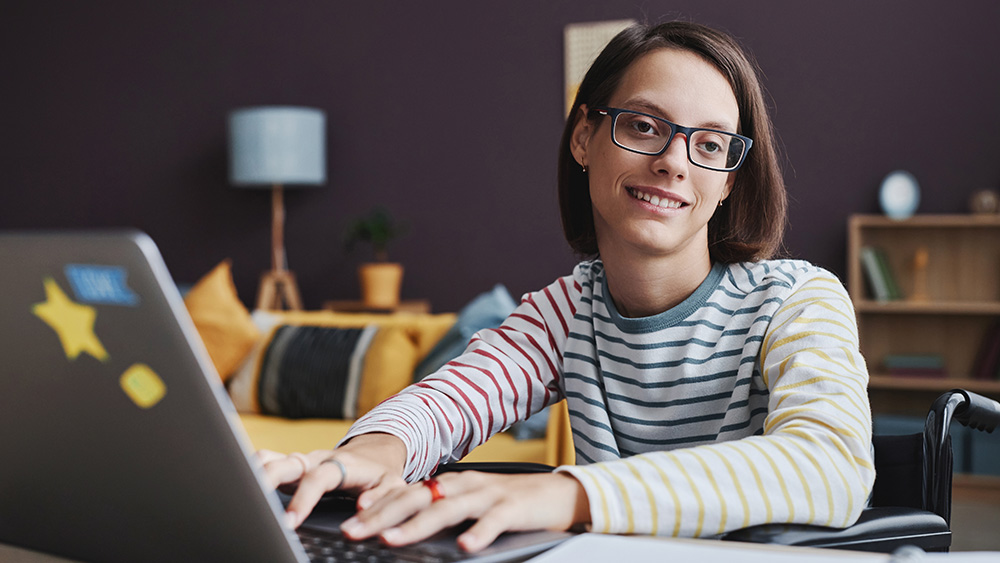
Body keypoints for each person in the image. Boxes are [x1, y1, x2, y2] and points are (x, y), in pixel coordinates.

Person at [259, 20, 874, 553]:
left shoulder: (798, 300)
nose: (674, 161)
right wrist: (373, 452)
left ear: (729, 183)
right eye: (642, 126)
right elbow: (446, 402)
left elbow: (831, 466)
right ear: (584, 137)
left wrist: (566, 493)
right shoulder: (568, 311)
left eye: (710, 143)